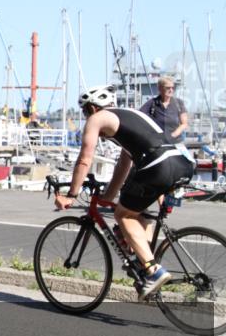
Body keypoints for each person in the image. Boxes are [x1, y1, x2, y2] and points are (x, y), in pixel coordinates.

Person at [54, 85, 195, 300]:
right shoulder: (130, 116)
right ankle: (144, 260)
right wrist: (107, 199)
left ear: (92, 107)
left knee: (122, 215)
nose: (85, 118)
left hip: (157, 166)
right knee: (135, 211)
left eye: (84, 112)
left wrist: (71, 195)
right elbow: (123, 166)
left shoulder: (97, 118)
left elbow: (84, 159)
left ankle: (153, 271)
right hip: (181, 163)